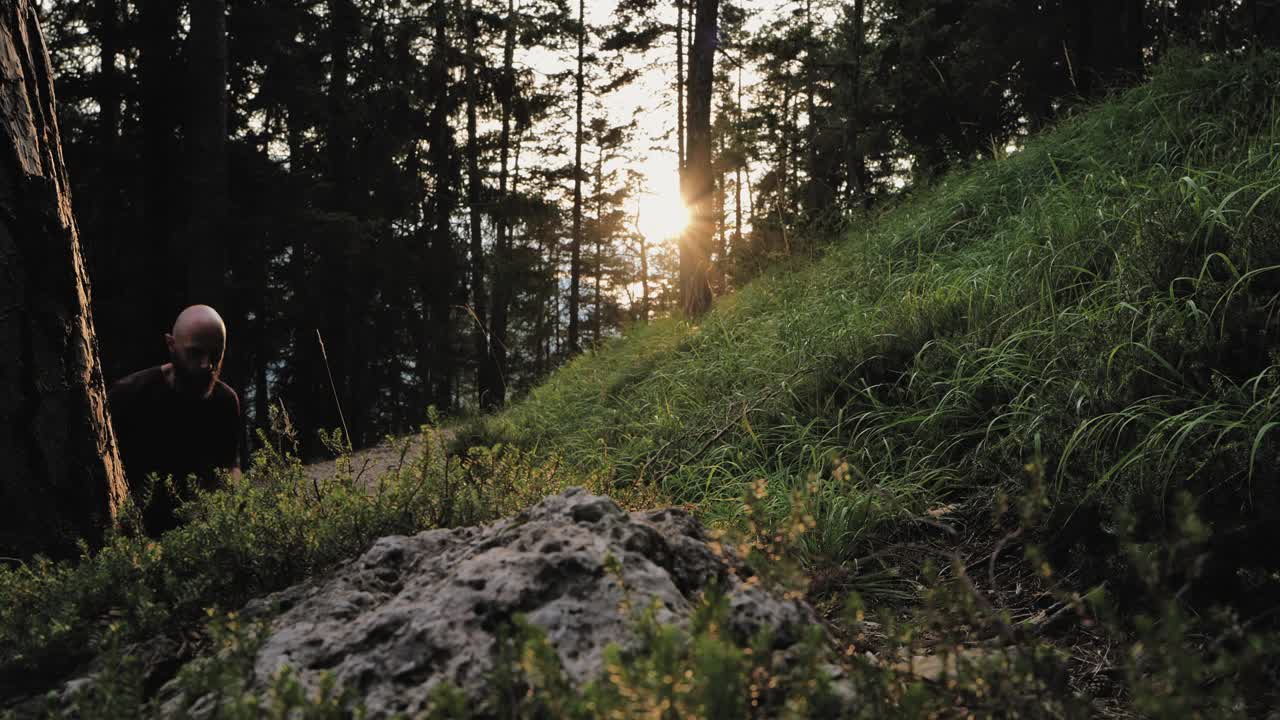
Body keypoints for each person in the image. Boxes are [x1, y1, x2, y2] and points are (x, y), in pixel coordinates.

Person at [108, 304, 242, 535]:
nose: (206, 364)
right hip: (135, 538)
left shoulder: (225, 401)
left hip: (199, 534)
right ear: (171, 344)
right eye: (195, 352)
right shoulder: (129, 396)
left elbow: (229, 470)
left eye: (216, 354)